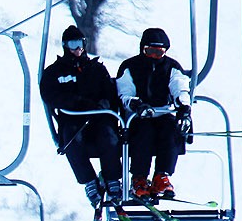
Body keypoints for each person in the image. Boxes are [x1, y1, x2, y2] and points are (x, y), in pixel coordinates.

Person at [40, 24, 125, 208]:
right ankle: (89, 181)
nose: (77, 48)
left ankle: (112, 180)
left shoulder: (96, 69)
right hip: (73, 120)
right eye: (72, 44)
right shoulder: (55, 72)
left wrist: (105, 103)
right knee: (72, 142)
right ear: (65, 46)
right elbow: (50, 95)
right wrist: (78, 103)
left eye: (80, 43)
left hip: (99, 118)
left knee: (109, 137)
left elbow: (111, 93)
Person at [114, 27, 192, 201]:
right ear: (143, 49)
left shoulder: (171, 67)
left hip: (163, 113)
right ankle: (139, 178)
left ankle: (161, 176)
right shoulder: (130, 66)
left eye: (159, 52)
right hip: (139, 116)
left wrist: (184, 107)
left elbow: (179, 86)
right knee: (144, 132)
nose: (154, 56)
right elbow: (124, 91)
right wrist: (136, 104)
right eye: (150, 51)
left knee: (171, 129)